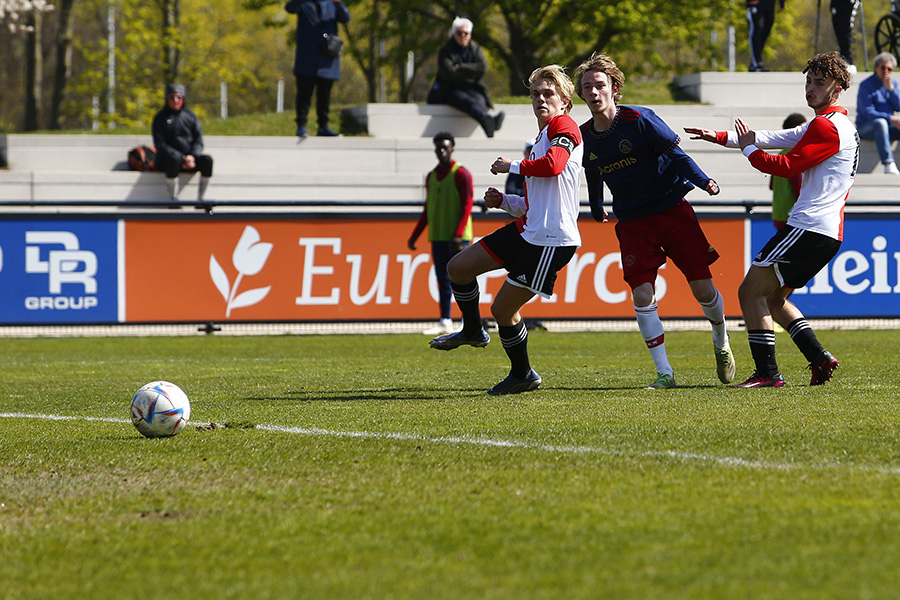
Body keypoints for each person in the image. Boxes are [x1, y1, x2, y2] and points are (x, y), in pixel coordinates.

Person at [685, 51, 857, 387]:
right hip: (825, 233)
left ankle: (767, 373)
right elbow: (772, 138)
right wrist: (720, 137)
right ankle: (819, 358)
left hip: (808, 228)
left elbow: (784, 165)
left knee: (750, 292)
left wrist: (748, 150)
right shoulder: (832, 125)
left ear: (837, 88)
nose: (811, 88)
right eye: (808, 81)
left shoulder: (826, 127)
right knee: (776, 300)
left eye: (819, 83)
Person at [574, 52, 734, 390]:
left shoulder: (640, 119)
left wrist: (704, 180)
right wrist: (596, 205)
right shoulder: (584, 134)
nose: (593, 92)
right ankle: (665, 373)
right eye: (587, 87)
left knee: (703, 289)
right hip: (632, 220)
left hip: (671, 208)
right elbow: (592, 171)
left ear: (614, 88)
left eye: (599, 85)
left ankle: (721, 340)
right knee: (641, 293)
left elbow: (677, 155)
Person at [428, 65, 582, 396]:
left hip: (550, 241)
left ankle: (523, 374)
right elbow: (538, 199)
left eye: (548, 94)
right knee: (458, 268)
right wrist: (506, 201)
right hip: (529, 229)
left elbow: (554, 166)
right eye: (536, 93)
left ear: (565, 102)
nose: (541, 99)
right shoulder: (544, 135)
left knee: (502, 310)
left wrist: (510, 165)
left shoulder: (565, 126)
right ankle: (471, 330)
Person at [408, 132, 474, 336]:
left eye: (446, 147)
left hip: (458, 239)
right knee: (442, 280)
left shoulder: (461, 173)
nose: (442, 151)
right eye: (439, 148)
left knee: (463, 280)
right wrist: (415, 235)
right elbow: (429, 208)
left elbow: (467, 203)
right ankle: (446, 319)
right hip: (438, 236)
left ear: (452, 148)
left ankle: (468, 321)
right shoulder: (432, 176)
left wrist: (459, 233)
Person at [427, 17, 505, 138]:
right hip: (450, 90)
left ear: (470, 34)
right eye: (459, 33)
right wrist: (471, 75)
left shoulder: (475, 49)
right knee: (467, 102)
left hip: (473, 88)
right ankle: (489, 122)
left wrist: (461, 66)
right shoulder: (446, 51)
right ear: (454, 34)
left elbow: (482, 68)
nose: (463, 36)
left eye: (466, 33)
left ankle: (488, 122)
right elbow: (448, 73)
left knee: (480, 101)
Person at [286, 0, 350, 138]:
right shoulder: (304, 4)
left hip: (327, 58)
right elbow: (289, 8)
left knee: (324, 95)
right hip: (307, 57)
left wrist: (339, 3)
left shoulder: (332, 4)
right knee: (304, 95)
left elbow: (345, 18)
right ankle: (301, 126)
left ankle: (323, 127)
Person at [152, 83, 213, 201]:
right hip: (169, 160)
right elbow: (160, 144)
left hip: (190, 160)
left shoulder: (190, 116)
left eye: (179, 97)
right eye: (172, 97)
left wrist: (192, 156)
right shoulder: (160, 118)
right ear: (166, 99)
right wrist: (181, 157)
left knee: (207, 161)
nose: (175, 101)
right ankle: (173, 198)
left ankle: (201, 198)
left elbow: (198, 140)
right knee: (173, 159)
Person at [856, 51, 900, 174]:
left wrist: (890, 89)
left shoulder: (893, 84)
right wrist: (891, 118)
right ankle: (888, 162)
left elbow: (898, 106)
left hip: (887, 127)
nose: (886, 72)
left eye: (889, 69)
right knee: (881, 123)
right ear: (876, 67)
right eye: (883, 68)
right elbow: (867, 112)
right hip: (867, 127)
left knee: (885, 124)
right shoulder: (866, 85)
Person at [771, 112, 807, 228]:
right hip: (792, 217)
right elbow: (798, 190)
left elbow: (772, 185)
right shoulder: (795, 156)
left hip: (778, 213)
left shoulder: (780, 155)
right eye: (804, 128)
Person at [747, 0, 784, 72]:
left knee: (766, 31)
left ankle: (755, 62)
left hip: (769, 4)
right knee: (757, 29)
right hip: (756, 4)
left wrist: (781, 2)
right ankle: (757, 63)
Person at [831, 0, 859, 70]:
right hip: (836, 3)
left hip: (848, 3)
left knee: (845, 28)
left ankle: (848, 60)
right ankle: (843, 58)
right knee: (838, 27)